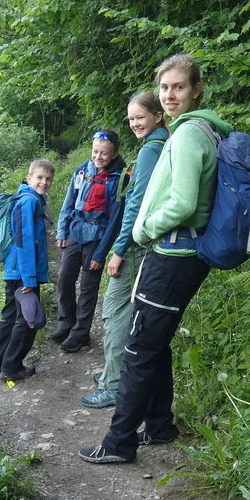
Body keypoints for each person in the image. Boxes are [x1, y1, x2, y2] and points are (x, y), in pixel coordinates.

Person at [79, 53, 231, 463]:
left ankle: (118, 442)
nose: (169, 95)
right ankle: (160, 426)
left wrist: (140, 231)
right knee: (155, 342)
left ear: (196, 89)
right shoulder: (202, 131)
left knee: (138, 348)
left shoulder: (187, 136)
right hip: (184, 255)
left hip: (174, 255)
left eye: (178, 87)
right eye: (164, 87)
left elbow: (182, 203)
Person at [82, 92, 168, 409]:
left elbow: (136, 203)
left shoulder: (150, 152)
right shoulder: (164, 143)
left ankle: (112, 385)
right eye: (130, 118)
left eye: (140, 117)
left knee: (115, 312)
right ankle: (114, 372)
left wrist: (118, 249)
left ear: (158, 115)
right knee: (125, 311)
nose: (134, 123)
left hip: (135, 245)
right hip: (150, 242)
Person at [49, 130, 128, 353]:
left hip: (97, 236)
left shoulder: (119, 178)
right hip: (76, 230)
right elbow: (69, 201)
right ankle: (66, 323)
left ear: (113, 155)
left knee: (87, 287)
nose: (98, 157)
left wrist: (100, 254)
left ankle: (81, 333)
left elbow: (115, 220)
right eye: (95, 151)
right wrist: (62, 231)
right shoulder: (83, 169)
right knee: (64, 279)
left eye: (104, 153)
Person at [0, 159, 55, 382]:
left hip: (15, 270)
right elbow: (24, 240)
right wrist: (29, 278)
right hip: (23, 273)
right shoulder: (27, 202)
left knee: (9, 318)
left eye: (48, 179)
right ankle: (11, 367)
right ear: (29, 179)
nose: (43, 182)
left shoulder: (29, 199)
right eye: (39, 178)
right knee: (27, 320)